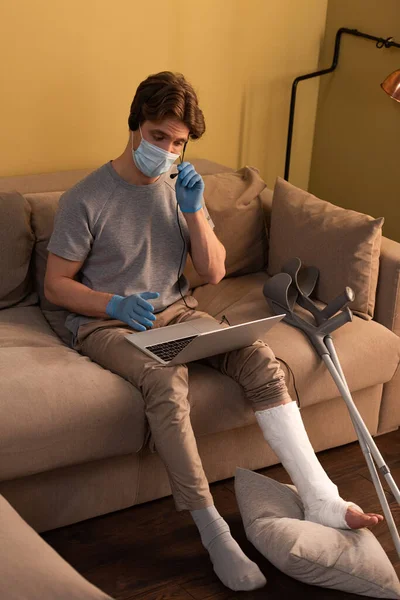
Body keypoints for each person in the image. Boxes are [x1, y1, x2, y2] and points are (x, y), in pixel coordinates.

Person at [44, 71, 383, 592]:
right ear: (135, 126)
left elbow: (216, 271)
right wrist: (111, 300)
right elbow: (55, 286)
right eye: (159, 137)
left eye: (178, 143)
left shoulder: (178, 189)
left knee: (260, 357)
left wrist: (195, 210)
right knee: (164, 380)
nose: (168, 150)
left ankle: (320, 495)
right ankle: (213, 529)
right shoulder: (85, 198)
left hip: (179, 311)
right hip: (105, 322)